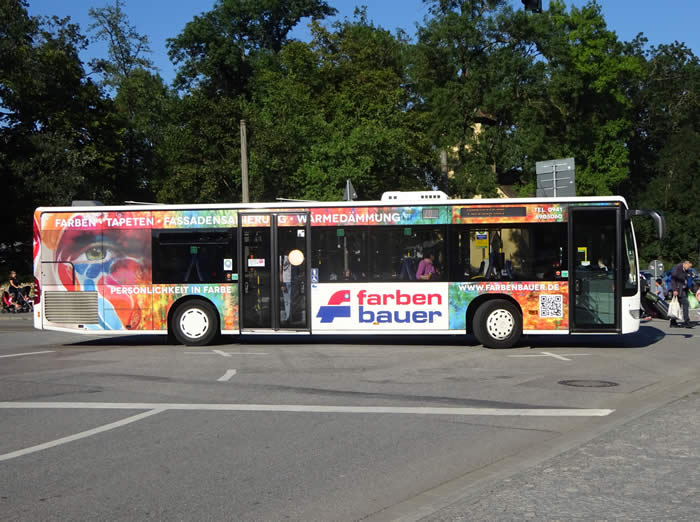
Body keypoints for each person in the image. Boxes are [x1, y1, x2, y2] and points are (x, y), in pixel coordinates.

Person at [669, 259, 693, 328]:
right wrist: (674, 290)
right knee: (686, 303)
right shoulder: (677, 268)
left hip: (684, 290)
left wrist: (688, 288)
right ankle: (687, 322)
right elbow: (673, 279)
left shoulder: (685, 270)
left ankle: (673, 322)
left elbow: (686, 279)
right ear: (685, 264)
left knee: (677, 306)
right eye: (689, 266)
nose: (689, 268)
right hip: (678, 290)